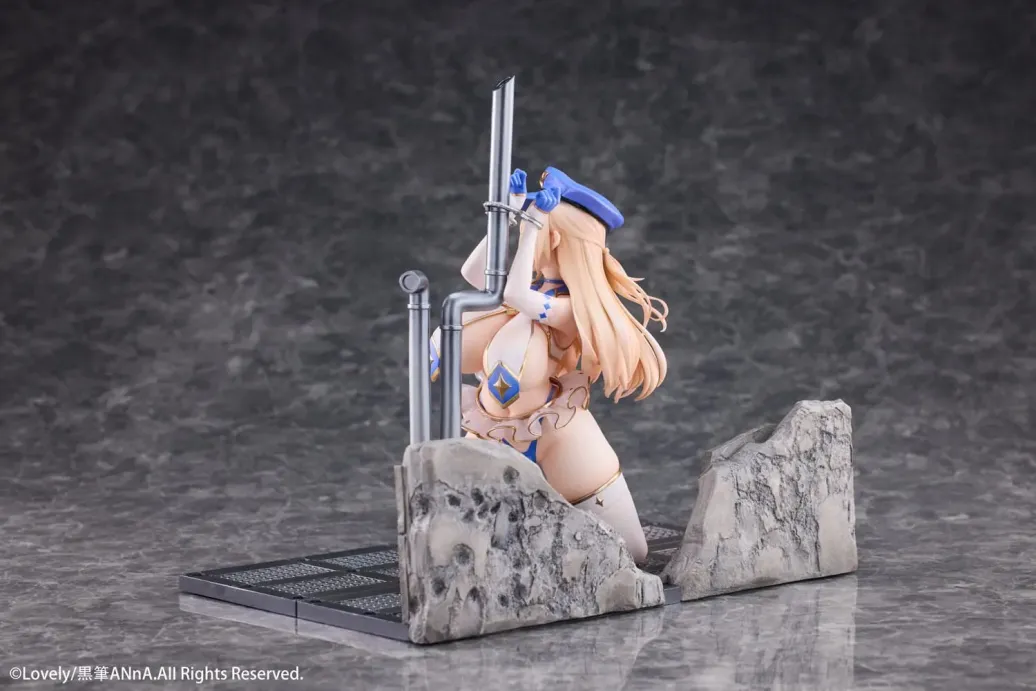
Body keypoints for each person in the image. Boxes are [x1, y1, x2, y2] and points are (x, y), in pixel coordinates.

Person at [430, 167, 668, 564]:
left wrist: (529, 226)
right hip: (492, 427)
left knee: (629, 552)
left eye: (537, 226)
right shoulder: (533, 284)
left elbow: (516, 296)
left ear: (552, 238)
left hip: (558, 434)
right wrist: (506, 218)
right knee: (473, 550)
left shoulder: (571, 308)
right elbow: (474, 274)